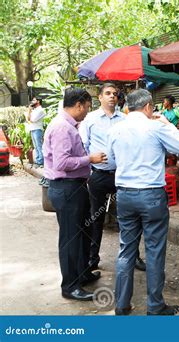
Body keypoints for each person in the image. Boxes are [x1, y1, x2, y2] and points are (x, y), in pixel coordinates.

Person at [107, 89, 179, 315]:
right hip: (151, 196)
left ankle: (122, 305)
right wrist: (168, 124)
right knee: (154, 251)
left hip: (124, 195)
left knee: (126, 250)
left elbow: (111, 160)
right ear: (147, 107)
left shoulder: (116, 129)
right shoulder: (156, 127)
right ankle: (155, 306)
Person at [43, 87, 107, 301]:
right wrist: (90, 159)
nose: (87, 112)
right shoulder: (62, 127)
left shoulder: (69, 125)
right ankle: (70, 286)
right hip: (66, 187)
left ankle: (82, 274)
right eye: (87, 107)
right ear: (78, 105)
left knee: (82, 233)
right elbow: (62, 163)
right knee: (71, 238)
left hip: (75, 187)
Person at [79, 83, 146, 272]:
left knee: (129, 218)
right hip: (98, 175)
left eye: (115, 94)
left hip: (122, 175)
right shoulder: (90, 119)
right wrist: (87, 171)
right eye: (107, 93)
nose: (111, 97)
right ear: (99, 97)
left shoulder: (125, 119)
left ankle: (133, 257)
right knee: (95, 218)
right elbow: (83, 145)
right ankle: (92, 259)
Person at [27, 97, 46, 167]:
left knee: (39, 145)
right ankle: (38, 160)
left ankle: (41, 161)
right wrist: (29, 111)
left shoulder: (41, 110)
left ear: (38, 101)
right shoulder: (34, 110)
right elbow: (28, 119)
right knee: (36, 146)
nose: (32, 101)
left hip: (37, 129)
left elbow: (32, 120)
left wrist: (29, 111)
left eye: (34, 100)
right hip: (33, 129)